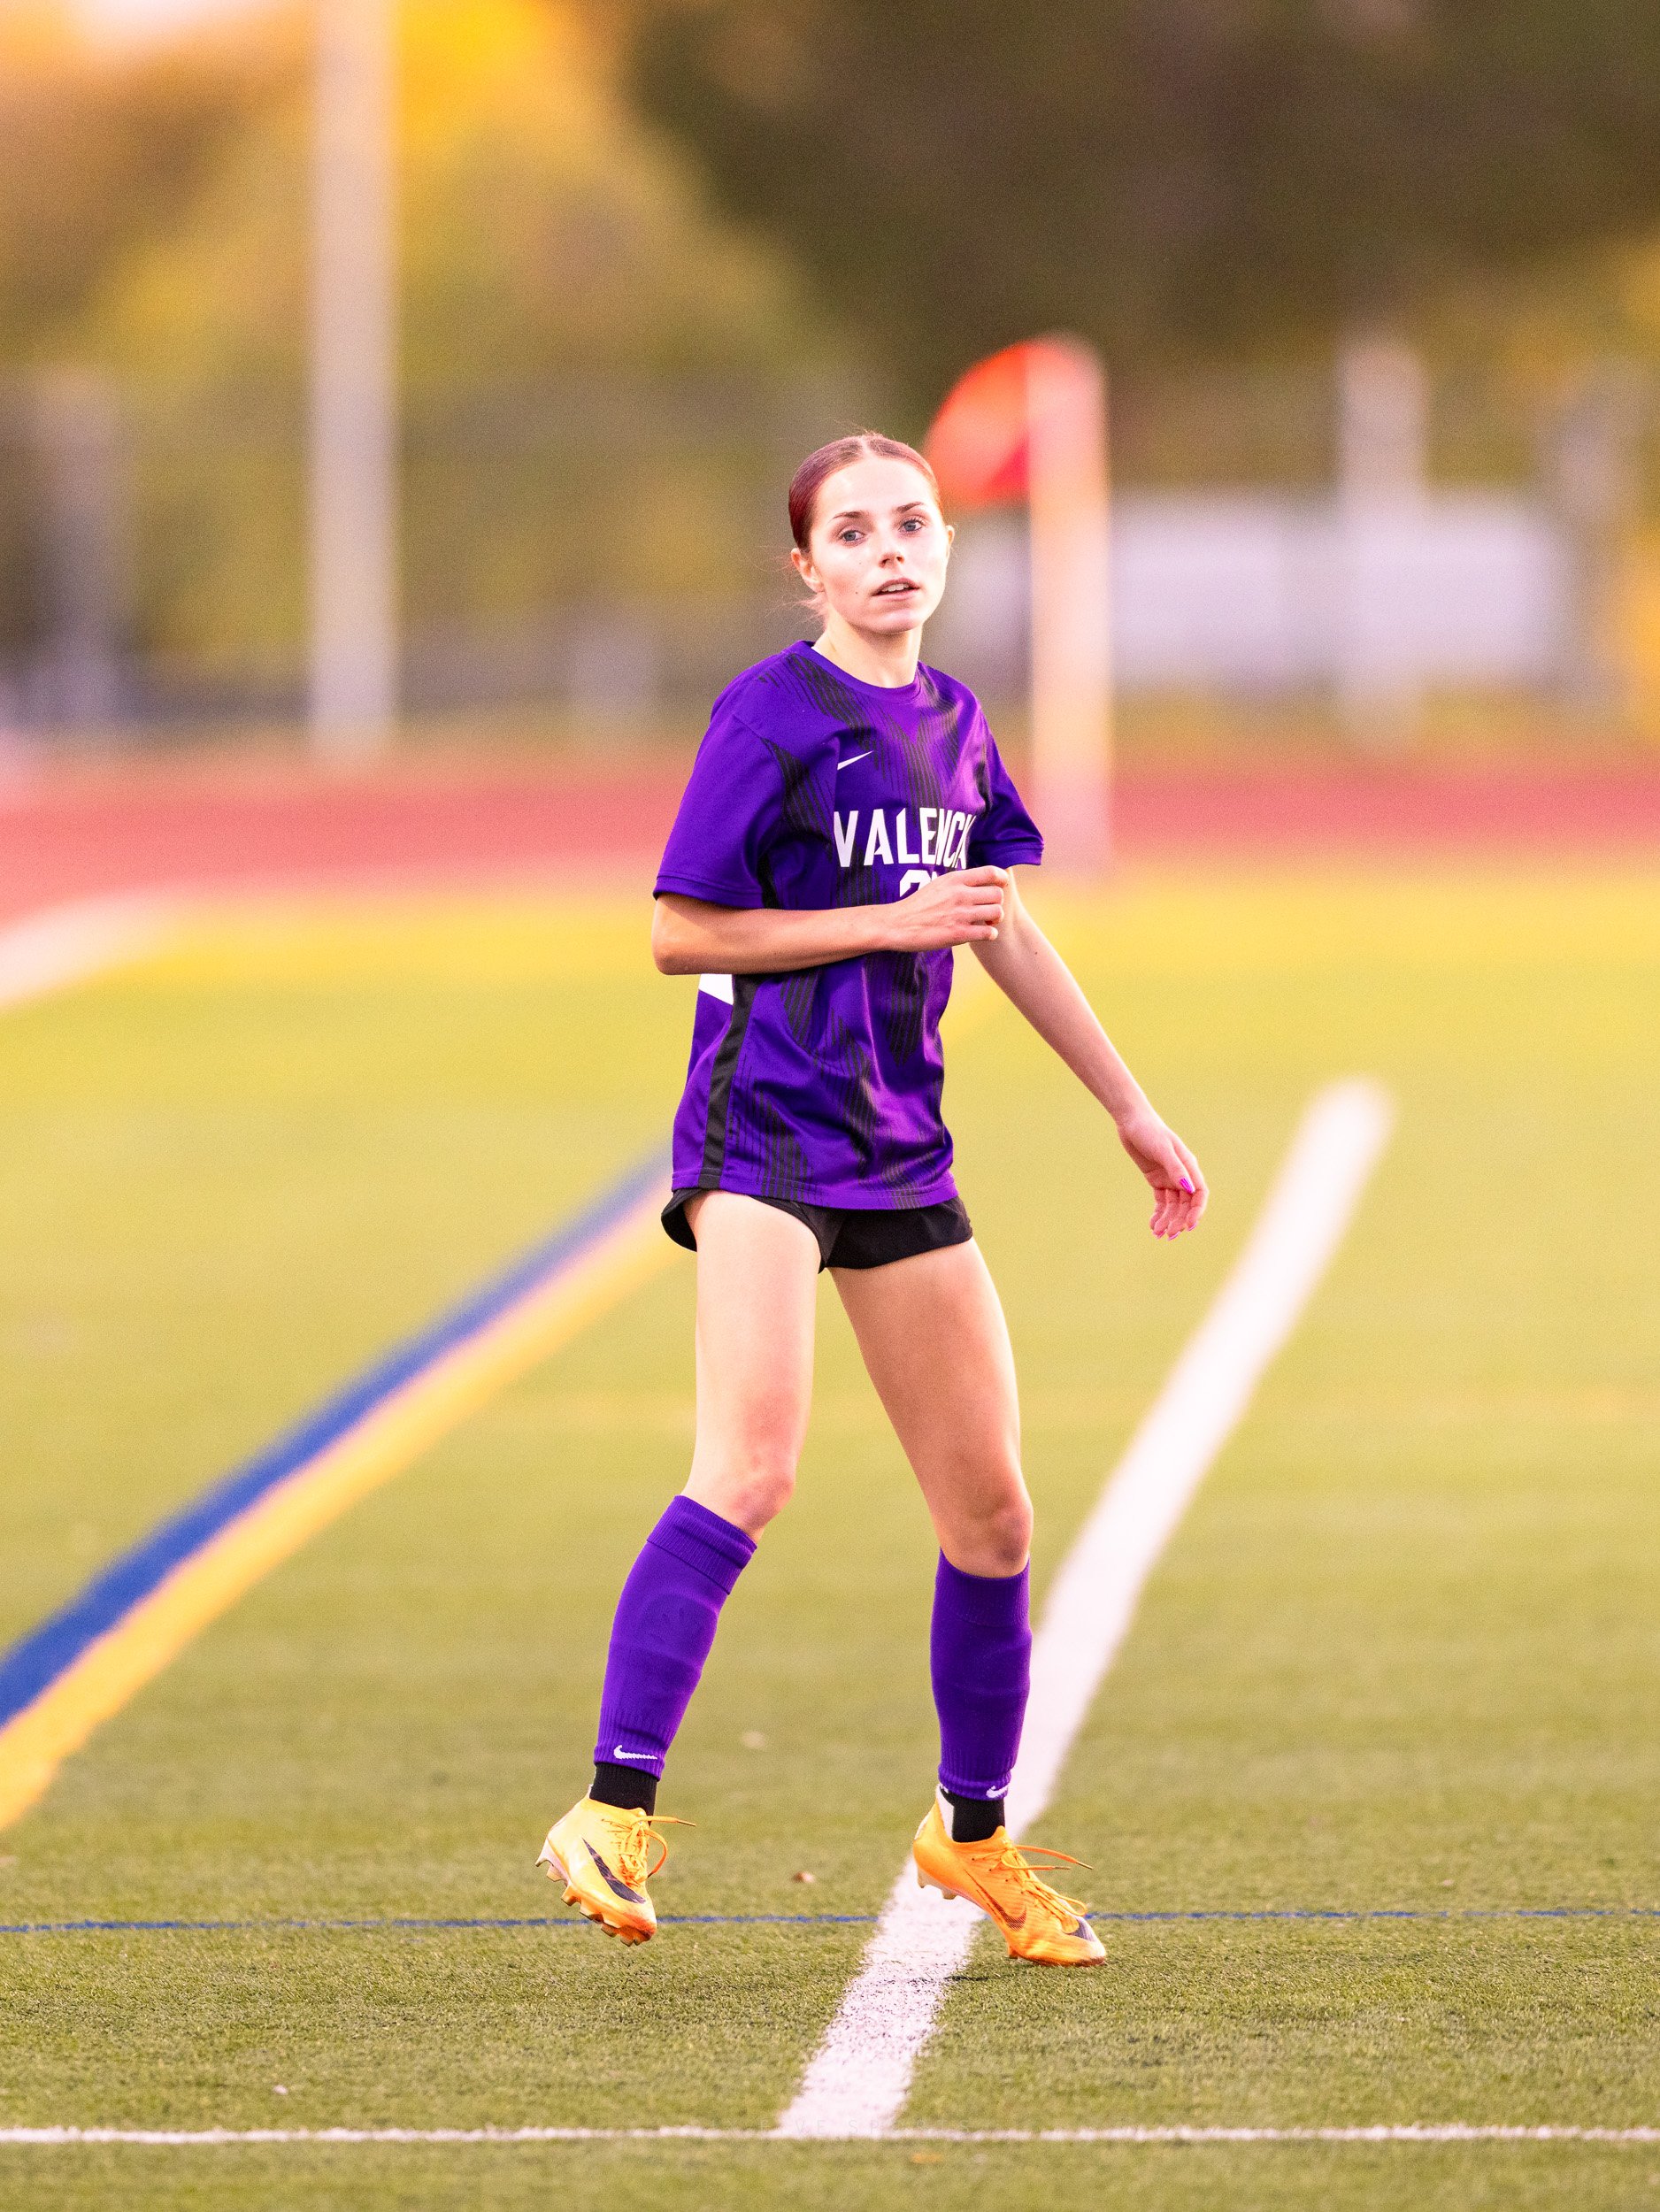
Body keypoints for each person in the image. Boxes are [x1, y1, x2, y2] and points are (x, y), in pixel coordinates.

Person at [537, 433, 1207, 1967]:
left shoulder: (956, 722)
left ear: (947, 545)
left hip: (901, 1146)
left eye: (913, 524)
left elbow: (996, 922)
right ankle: (610, 1812)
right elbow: (678, 932)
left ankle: (971, 1835)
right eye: (854, 532)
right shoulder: (769, 715)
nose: (890, 551)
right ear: (809, 568)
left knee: (993, 1514)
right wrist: (881, 923)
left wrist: (1128, 1105)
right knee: (752, 1468)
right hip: (763, 1137)